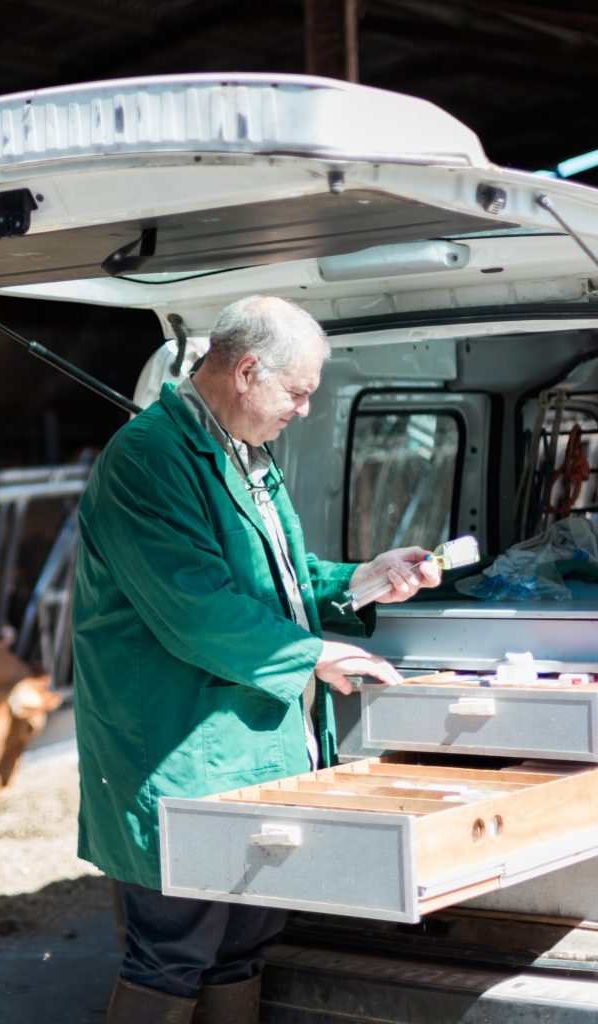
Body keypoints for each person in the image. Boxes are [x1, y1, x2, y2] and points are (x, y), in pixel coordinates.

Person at [71, 294, 441, 1024]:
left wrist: (367, 578)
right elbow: (194, 606)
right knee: (172, 954)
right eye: (298, 393)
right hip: (180, 754)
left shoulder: (243, 455)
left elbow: (282, 580)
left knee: (243, 944)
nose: (303, 410)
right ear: (246, 372)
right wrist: (314, 657)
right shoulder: (148, 458)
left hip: (250, 755)